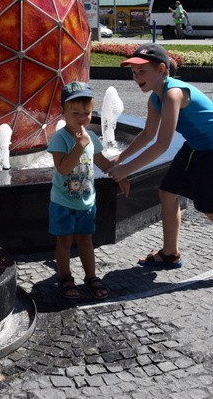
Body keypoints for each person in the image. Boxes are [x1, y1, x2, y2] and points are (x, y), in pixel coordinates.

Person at [105, 44, 213, 282]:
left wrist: (125, 170)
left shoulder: (173, 93)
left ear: (161, 69)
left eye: (142, 71)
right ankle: (170, 253)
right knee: (168, 193)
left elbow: (161, 144)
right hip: (195, 145)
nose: (136, 77)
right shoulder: (156, 99)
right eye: (134, 73)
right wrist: (121, 157)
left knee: (212, 209)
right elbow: (148, 134)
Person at [48, 81, 131, 300]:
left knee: (86, 240)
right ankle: (65, 276)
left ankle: (91, 276)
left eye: (86, 112)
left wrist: (120, 174)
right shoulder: (60, 138)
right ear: (62, 112)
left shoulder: (91, 138)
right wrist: (80, 145)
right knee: (64, 241)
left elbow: (103, 163)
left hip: (86, 202)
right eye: (75, 112)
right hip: (63, 202)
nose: (81, 117)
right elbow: (63, 168)